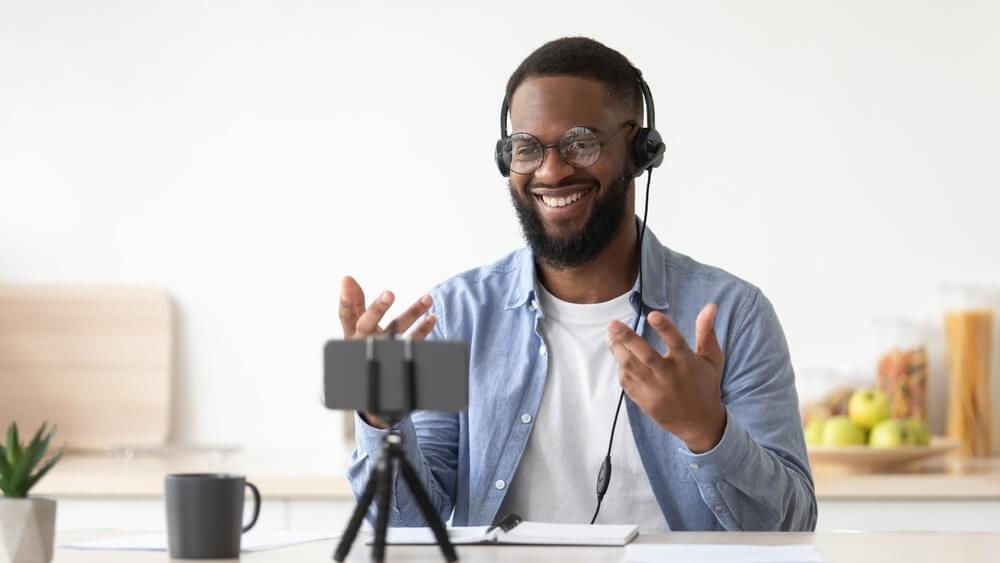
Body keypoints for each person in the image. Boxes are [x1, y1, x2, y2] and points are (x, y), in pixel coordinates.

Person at [339, 37, 816, 532]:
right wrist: (378, 420)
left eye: (581, 143)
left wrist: (706, 431)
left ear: (639, 151)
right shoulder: (455, 315)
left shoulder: (734, 314)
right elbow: (407, 532)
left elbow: (792, 528)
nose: (551, 170)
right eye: (526, 148)